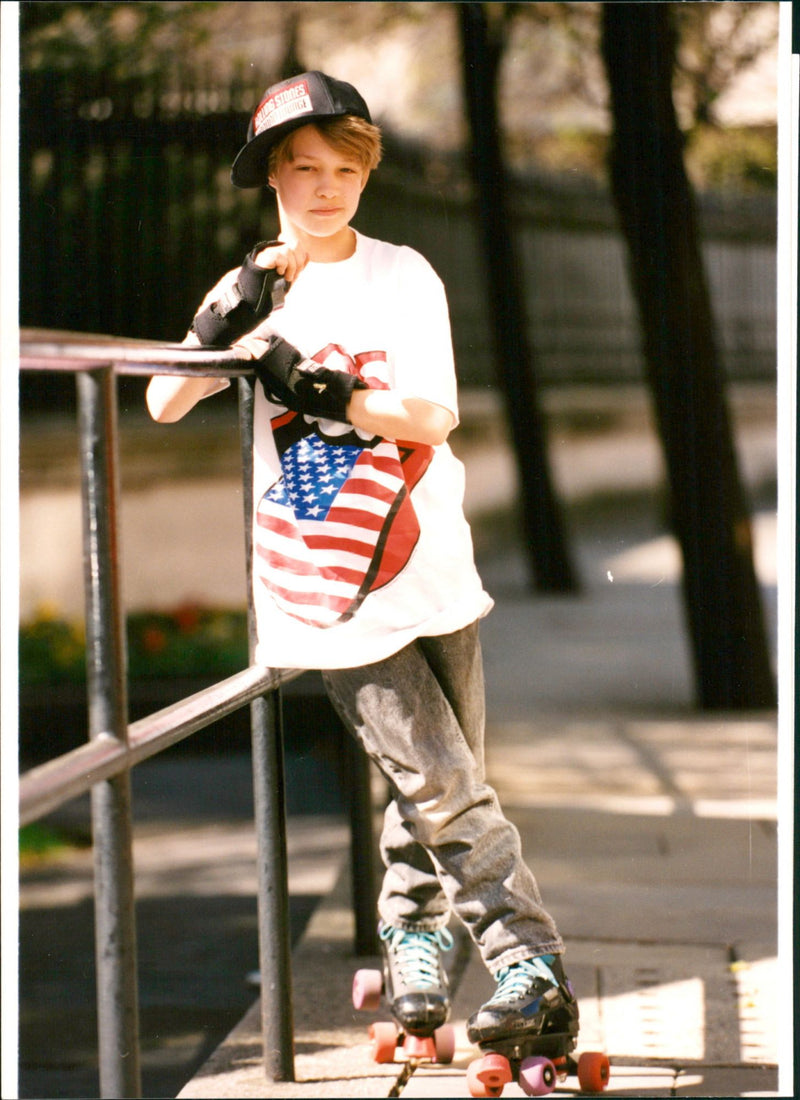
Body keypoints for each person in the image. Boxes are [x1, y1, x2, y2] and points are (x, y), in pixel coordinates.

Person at [146, 70, 578, 1049]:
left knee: (437, 772)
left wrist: (319, 388)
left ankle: (413, 946)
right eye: (302, 167)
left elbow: (429, 413)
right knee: (439, 782)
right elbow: (161, 404)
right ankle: (531, 963)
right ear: (268, 175)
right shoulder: (244, 286)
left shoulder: (401, 274)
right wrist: (219, 332)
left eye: (344, 166)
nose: (325, 185)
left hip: (428, 550)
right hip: (325, 577)